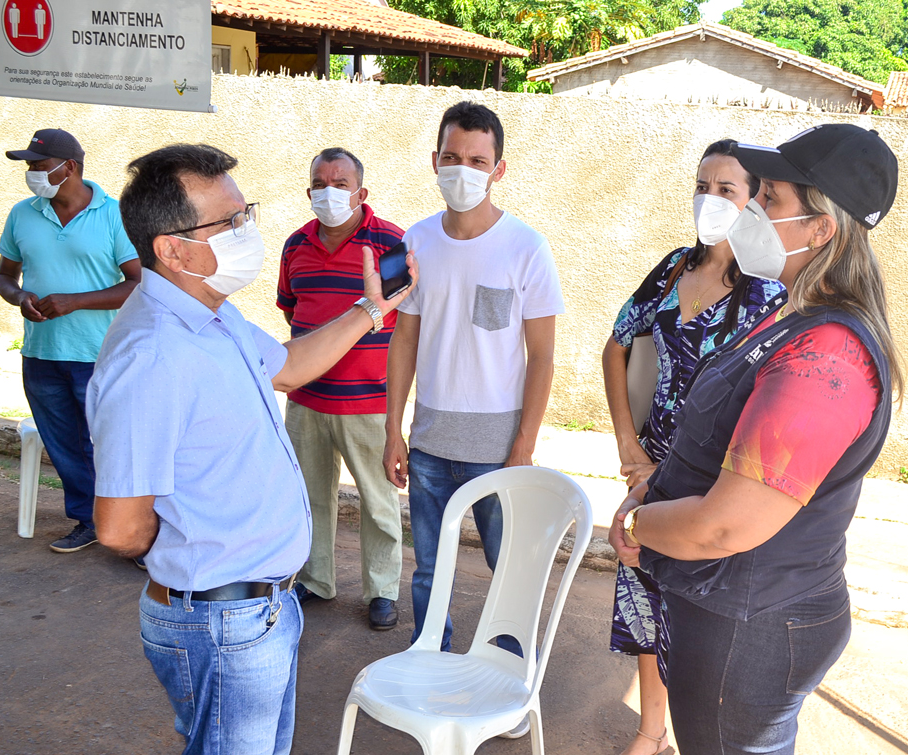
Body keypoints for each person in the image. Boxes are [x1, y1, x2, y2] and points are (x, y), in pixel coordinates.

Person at [86, 144, 416, 754]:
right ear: (172, 248)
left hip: (256, 613)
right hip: (220, 619)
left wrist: (372, 309)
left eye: (247, 213)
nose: (248, 231)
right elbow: (119, 528)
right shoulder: (153, 354)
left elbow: (289, 366)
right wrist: (206, 553)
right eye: (230, 222)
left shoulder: (211, 314)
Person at [609, 124, 902, 755]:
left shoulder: (828, 353)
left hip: (750, 624)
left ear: (820, 229)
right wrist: (652, 491)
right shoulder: (794, 314)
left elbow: (725, 527)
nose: (751, 211)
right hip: (729, 607)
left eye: (769, 199)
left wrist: (635, 531)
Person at [601, 139, 783, 755]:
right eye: (702, 185)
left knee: (697, 620)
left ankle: (700, 738)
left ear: (755, 201)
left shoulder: (768, 291)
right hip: (647, 471)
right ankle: (650, 734)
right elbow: (617, 342)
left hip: (712, 487)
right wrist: (630, 449)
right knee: (645, 603)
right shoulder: (673, 267)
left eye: (725, 189)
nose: (709, 198)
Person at [383, 102, 564, 680]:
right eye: (452, 158)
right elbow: (403, 340)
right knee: (429, 569)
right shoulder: (411, 243)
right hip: (431, 438)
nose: (463, 170)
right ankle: (427, 661)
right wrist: (394, 430)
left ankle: (515, 677)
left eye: (477, 160)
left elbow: (542, 359)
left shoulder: (527, 248)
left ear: (499, 168)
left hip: (498, 443)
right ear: (434, 161)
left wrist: (523, 447)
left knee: (507, 568)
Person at [0, 128, 140, 554]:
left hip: (99, 354)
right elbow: (5, 275)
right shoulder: (23, 214)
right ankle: (88, 520)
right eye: (29, 167)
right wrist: (19, 296)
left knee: (115, 445)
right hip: (40, 353)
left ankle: (135, 531)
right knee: (63, 446)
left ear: (68, 168)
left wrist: (76, 302)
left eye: (38, 166)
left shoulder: (114, 215)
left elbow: (140, 283)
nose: (31, 174)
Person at [277, 147, 404, 631]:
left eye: (340, 183)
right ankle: (316, 578)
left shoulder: (390, 243)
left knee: (378, 500)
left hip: (368, 399)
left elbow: (406, 315)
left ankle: (382, 590)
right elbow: (291, 310)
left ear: (361, 192)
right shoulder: (295, 245)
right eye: (320, 183)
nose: (329, 193)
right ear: (309, 190)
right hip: (306, 399)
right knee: (309, 495)